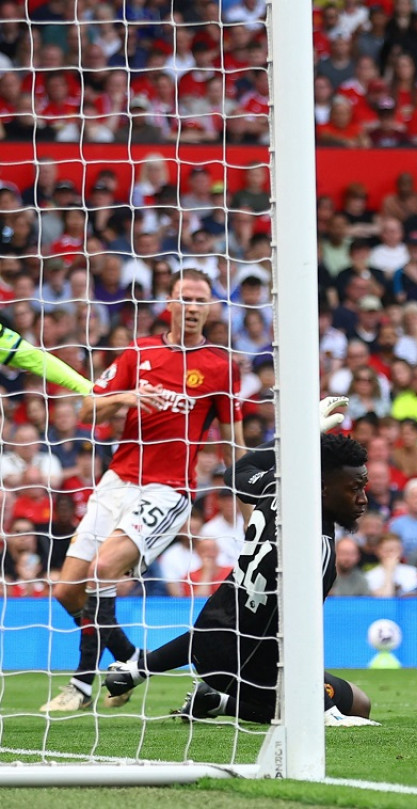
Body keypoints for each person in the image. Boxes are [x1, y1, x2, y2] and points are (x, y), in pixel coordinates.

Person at [104, 399, 377, 726]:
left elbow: (237, 474)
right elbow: (295, 637)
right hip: (250, 665)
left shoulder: (276, 487)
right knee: (357, 706)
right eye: (354, 489)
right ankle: (223, 701)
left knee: (356, 699)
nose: (363, 499)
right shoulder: (315, 550)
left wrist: (295, 439)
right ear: (321, 490)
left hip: (209, 639)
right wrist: (324, 711)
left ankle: (194, 692)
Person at [45, 270, 246, 713]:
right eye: (185, 298)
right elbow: (86, 408)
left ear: (210, 308)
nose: (193, 307)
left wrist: (251, 496)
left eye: (201, 300)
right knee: (65, 592)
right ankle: (130, 660)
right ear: (169, 305)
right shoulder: (140, 351)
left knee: (101, 571)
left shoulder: (220, 365)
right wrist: (126, 397)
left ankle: (80, 687)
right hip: (118, 481)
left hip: (169, 489)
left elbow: (235, 441)